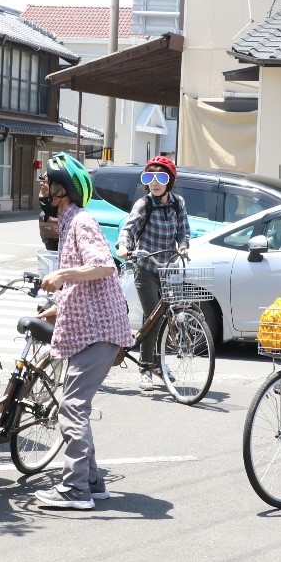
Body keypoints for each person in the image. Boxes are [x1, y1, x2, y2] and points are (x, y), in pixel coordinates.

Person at [34, 153, 133, 510]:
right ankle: (92, 481)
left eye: (47, 181)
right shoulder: (68, 222)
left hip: (99, 332)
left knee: (71, 406)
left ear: (63, 190)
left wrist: (60, 276)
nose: (42, 186)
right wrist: (58, 306)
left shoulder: (81, 222)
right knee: (76, 405)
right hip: (91, 328)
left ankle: (75, 490)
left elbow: (102, 266)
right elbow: (85, 282)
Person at [115, 155, 190, 390]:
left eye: (160, 177)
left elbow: (184, 232)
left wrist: (184, 246)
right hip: (146, 267)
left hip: (169, 269)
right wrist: (124, 246)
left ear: (170, 181)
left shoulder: (178, 203)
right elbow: (128, 229)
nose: (154, 183)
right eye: (149, 177)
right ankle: (146, 368)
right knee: (152, 317)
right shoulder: (143, 204)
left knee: (173, 318)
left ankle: (157, 364)